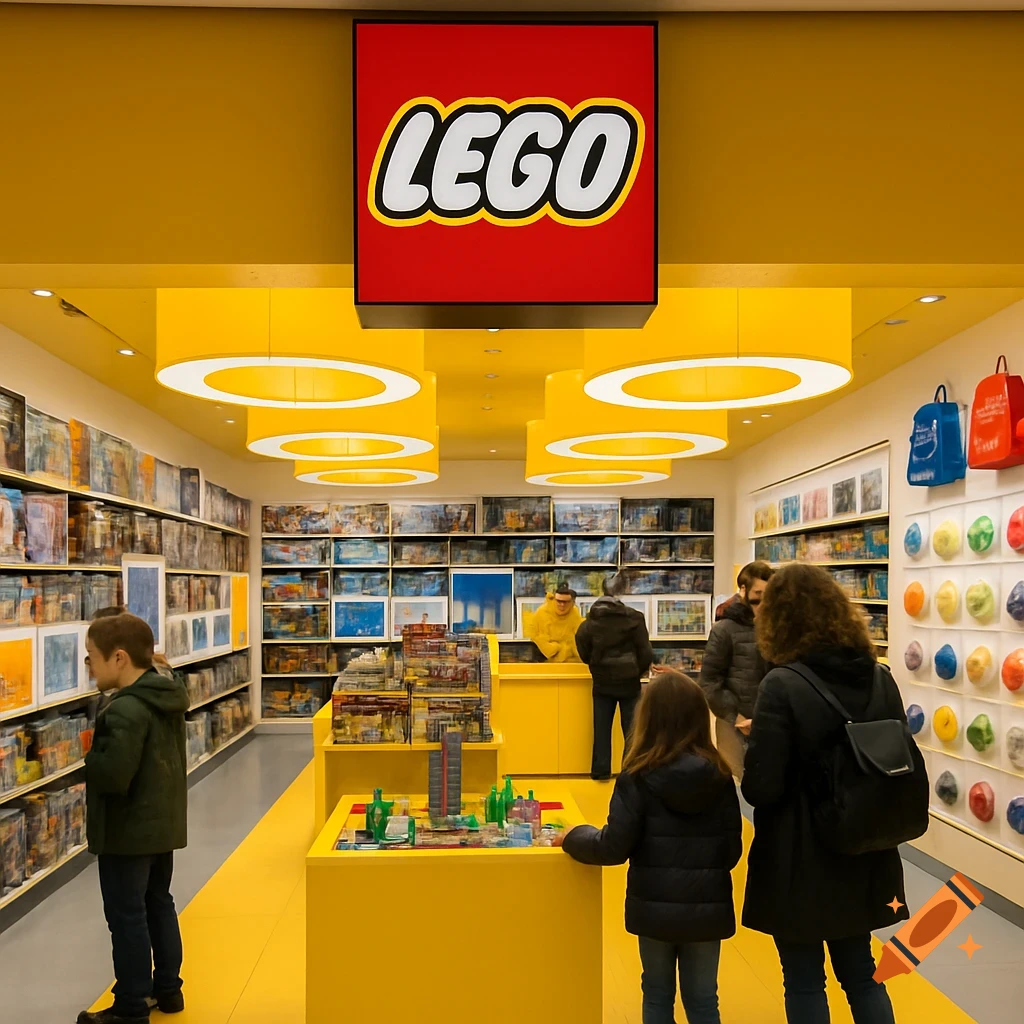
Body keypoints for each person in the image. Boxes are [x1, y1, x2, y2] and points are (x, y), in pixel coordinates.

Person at [741, 563, 908, 1024]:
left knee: (804, 979)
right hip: (865, 845)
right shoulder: (880, 677)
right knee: (862, 972)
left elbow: (762, 787)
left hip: (801, 856)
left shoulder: (782, 684)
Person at [561, 670, 742, 1024]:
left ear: (648, 717)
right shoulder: (720, 776)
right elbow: (731, 851)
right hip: (708, 908)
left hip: (654, 908)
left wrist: (572, 835)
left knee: (657, 996)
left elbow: (613, 847)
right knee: (704, 998)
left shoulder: (638, 776)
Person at [79, 613, 190, 1024]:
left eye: (92, 657)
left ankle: (130, 1006)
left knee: (126, 918)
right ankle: (168, 990)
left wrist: (89, 757)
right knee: (159, 904)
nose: (88, 666)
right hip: (161, 824)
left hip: (127, 832)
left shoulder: (125, 709)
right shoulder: (165, 695)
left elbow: (113, 775)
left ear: (119, 658)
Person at [700, 561, 774, 779]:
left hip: (769, 722)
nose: (763, 602)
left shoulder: (776, 628)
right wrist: (737, 716)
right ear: (743, 590)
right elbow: (710, 682)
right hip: (733, 724)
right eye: (758, 594)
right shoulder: (724, 630)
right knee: (734, 784)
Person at [576, 574, 653, 781]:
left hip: (602, 682)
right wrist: (637, 670)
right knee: (631, 730)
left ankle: (600, 771)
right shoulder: (635, 619)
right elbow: (645, 652)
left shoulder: (590, 622)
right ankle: (630, 772)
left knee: (601, 730)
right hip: (629, 682)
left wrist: (595, 665)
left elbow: (582, 648)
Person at [526, 583, 583, 663]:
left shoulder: (574, 613)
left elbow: (578, 638)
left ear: (572, 602)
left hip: (572, 663)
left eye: (566, 602)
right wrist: (555, 648)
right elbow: (537, 638)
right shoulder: (542, 612)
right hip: (547, 664)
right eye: (559, 601)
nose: (562, 605)